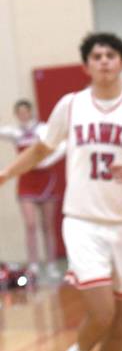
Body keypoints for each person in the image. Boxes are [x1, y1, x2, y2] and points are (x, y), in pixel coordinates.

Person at [0, 33, 122, 351]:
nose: (104, 61)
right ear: (86, 66)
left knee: (120, 320)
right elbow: (39, 150)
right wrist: (5, 173)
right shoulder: (71, 106)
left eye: (110, 55)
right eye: (96, 56)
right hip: (84, 221)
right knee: (101, 311)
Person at [0, 99, 65, 280]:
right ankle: (34, 265)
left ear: (31, 111)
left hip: (46, 180)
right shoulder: (15, 133)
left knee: (47, 225)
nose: (23, 115)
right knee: (30, 225)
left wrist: (45, 162)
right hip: (26, 181)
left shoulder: (43, 129)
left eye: (25, 111)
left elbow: (62, 146)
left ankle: (51, 264)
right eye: (19, 112)